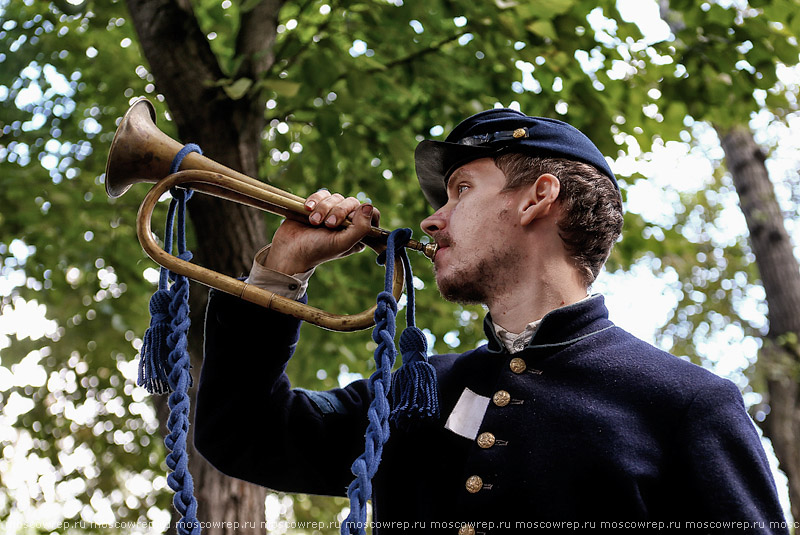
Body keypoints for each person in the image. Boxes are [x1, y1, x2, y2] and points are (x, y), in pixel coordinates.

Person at [194, 109, 789, 534]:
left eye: (459, 191)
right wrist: (281, 270)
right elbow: (242, 435)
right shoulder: (418, 392)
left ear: (536, 198)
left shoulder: (687, 402)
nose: (431, 221)